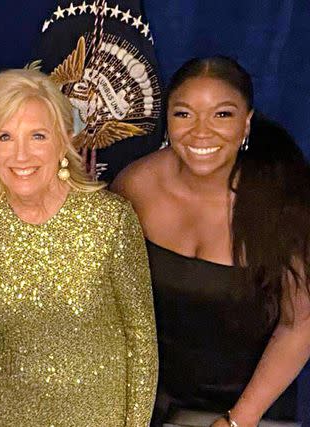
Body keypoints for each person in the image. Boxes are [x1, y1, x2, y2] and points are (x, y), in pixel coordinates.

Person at [0, 69, 157, 427]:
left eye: (38, 136)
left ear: (63, 141)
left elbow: (141, 338)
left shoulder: (110, 220)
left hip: (96, 417)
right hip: (2, 415)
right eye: (5, 136)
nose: (21, 154)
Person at [112, 56, 310, 427]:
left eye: (222, 115)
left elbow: (299, 324)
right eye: (184, 114)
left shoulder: (285, 200)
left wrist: (239, 420)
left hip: (252, 407)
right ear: (167, 119)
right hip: (150, 404)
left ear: (246, 122)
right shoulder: (135, 186)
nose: (201, 132)